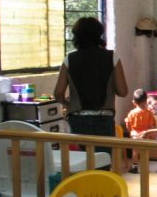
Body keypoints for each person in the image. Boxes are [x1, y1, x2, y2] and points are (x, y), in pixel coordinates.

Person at [54, 17, 128, 151]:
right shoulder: (112, 57)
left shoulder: (69, 59)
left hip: (77, 118)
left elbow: (58, 93)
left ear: (77, 36)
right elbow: (122, 91)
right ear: (99, 34)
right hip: (104, 117)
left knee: (83, 159)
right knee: (103, 159)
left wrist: (67, 103)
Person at [124, 88, 157, 174]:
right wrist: (153, 135)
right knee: (145, 151)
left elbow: (128, 125)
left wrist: (130, 131)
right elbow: (152, 126)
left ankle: (134, 167)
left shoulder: (132, 113)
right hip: (145, 135)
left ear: (134, 102)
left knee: (135, 151)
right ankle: (145, 167)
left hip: (135, 135)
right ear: (146, 101)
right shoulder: (149, 113)